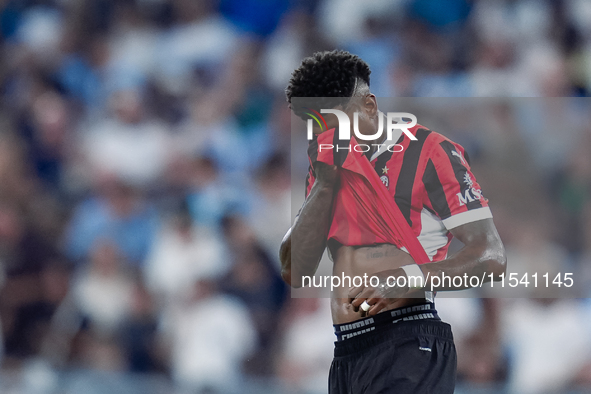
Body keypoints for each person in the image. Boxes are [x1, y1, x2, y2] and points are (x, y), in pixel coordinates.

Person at [279, 50, 507, 394]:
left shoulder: (432, 152)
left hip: (408, 341)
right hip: (346, 352)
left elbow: (491, 256)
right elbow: (295, 270)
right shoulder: (324, 164)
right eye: (316, 125)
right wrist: (324, 184)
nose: (326, 135)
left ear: (369, 105)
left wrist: (404, 279)